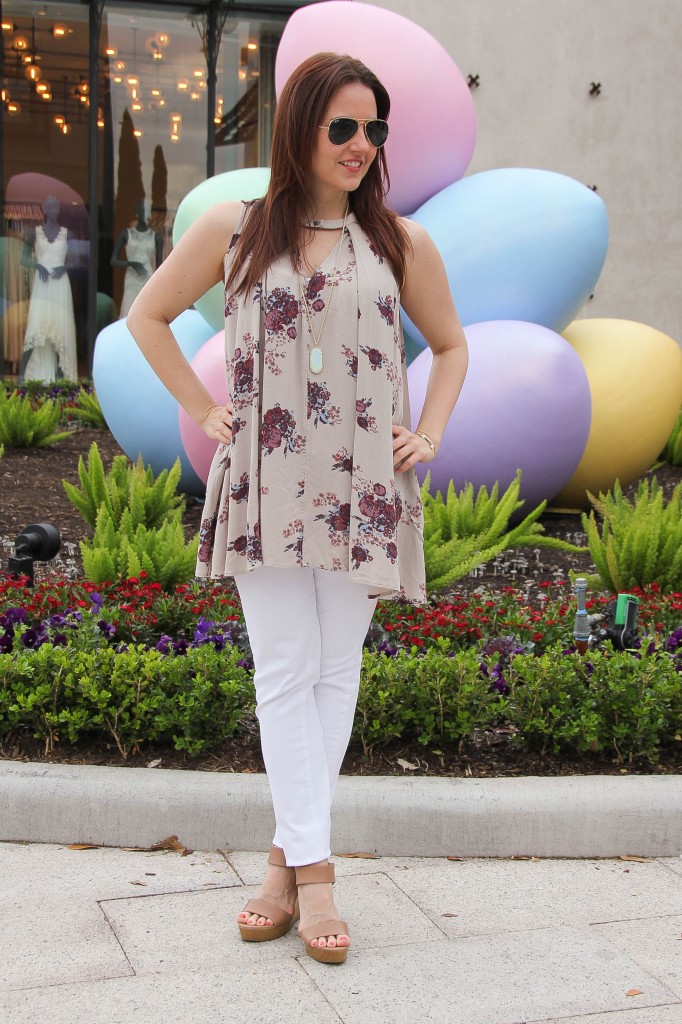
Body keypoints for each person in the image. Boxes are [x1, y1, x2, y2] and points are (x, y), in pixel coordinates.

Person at [127, 52, 468, 965]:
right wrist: (205, 412)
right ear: (302, 129)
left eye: (375, 130)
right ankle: (318, 876)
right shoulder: (232, 231)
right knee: (285, 669)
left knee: (334, 673)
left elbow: (451, 346)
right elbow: (146, 317)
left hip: (363, 484)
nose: (361, 145)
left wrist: (426, 430)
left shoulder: (400, 242)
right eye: (343, 127)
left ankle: (282, 864)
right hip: (267, 481)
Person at [20, 194, 78, 383]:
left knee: (60, 329)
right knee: (36, 326)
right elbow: (23, 259)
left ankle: (62, 377)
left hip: (60, 284)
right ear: (44, 209)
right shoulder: (33, 233)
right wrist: (37, 265)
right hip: (42, 285)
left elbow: (76, 261)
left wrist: (65, 267)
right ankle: (22, 377)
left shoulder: (68, 234)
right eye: (51, 206)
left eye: (57, 207)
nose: (54, 210)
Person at [112, 198, 163, 318]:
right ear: (137, 212)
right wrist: (131, 264)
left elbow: (160, 267)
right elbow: (113, 260)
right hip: (131, 278)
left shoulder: (156, 237)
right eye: (141, 211)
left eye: (146, 211)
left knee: (146, 313)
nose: (143, 214)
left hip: (148, 278)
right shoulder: (126, 234)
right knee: (129, 311)